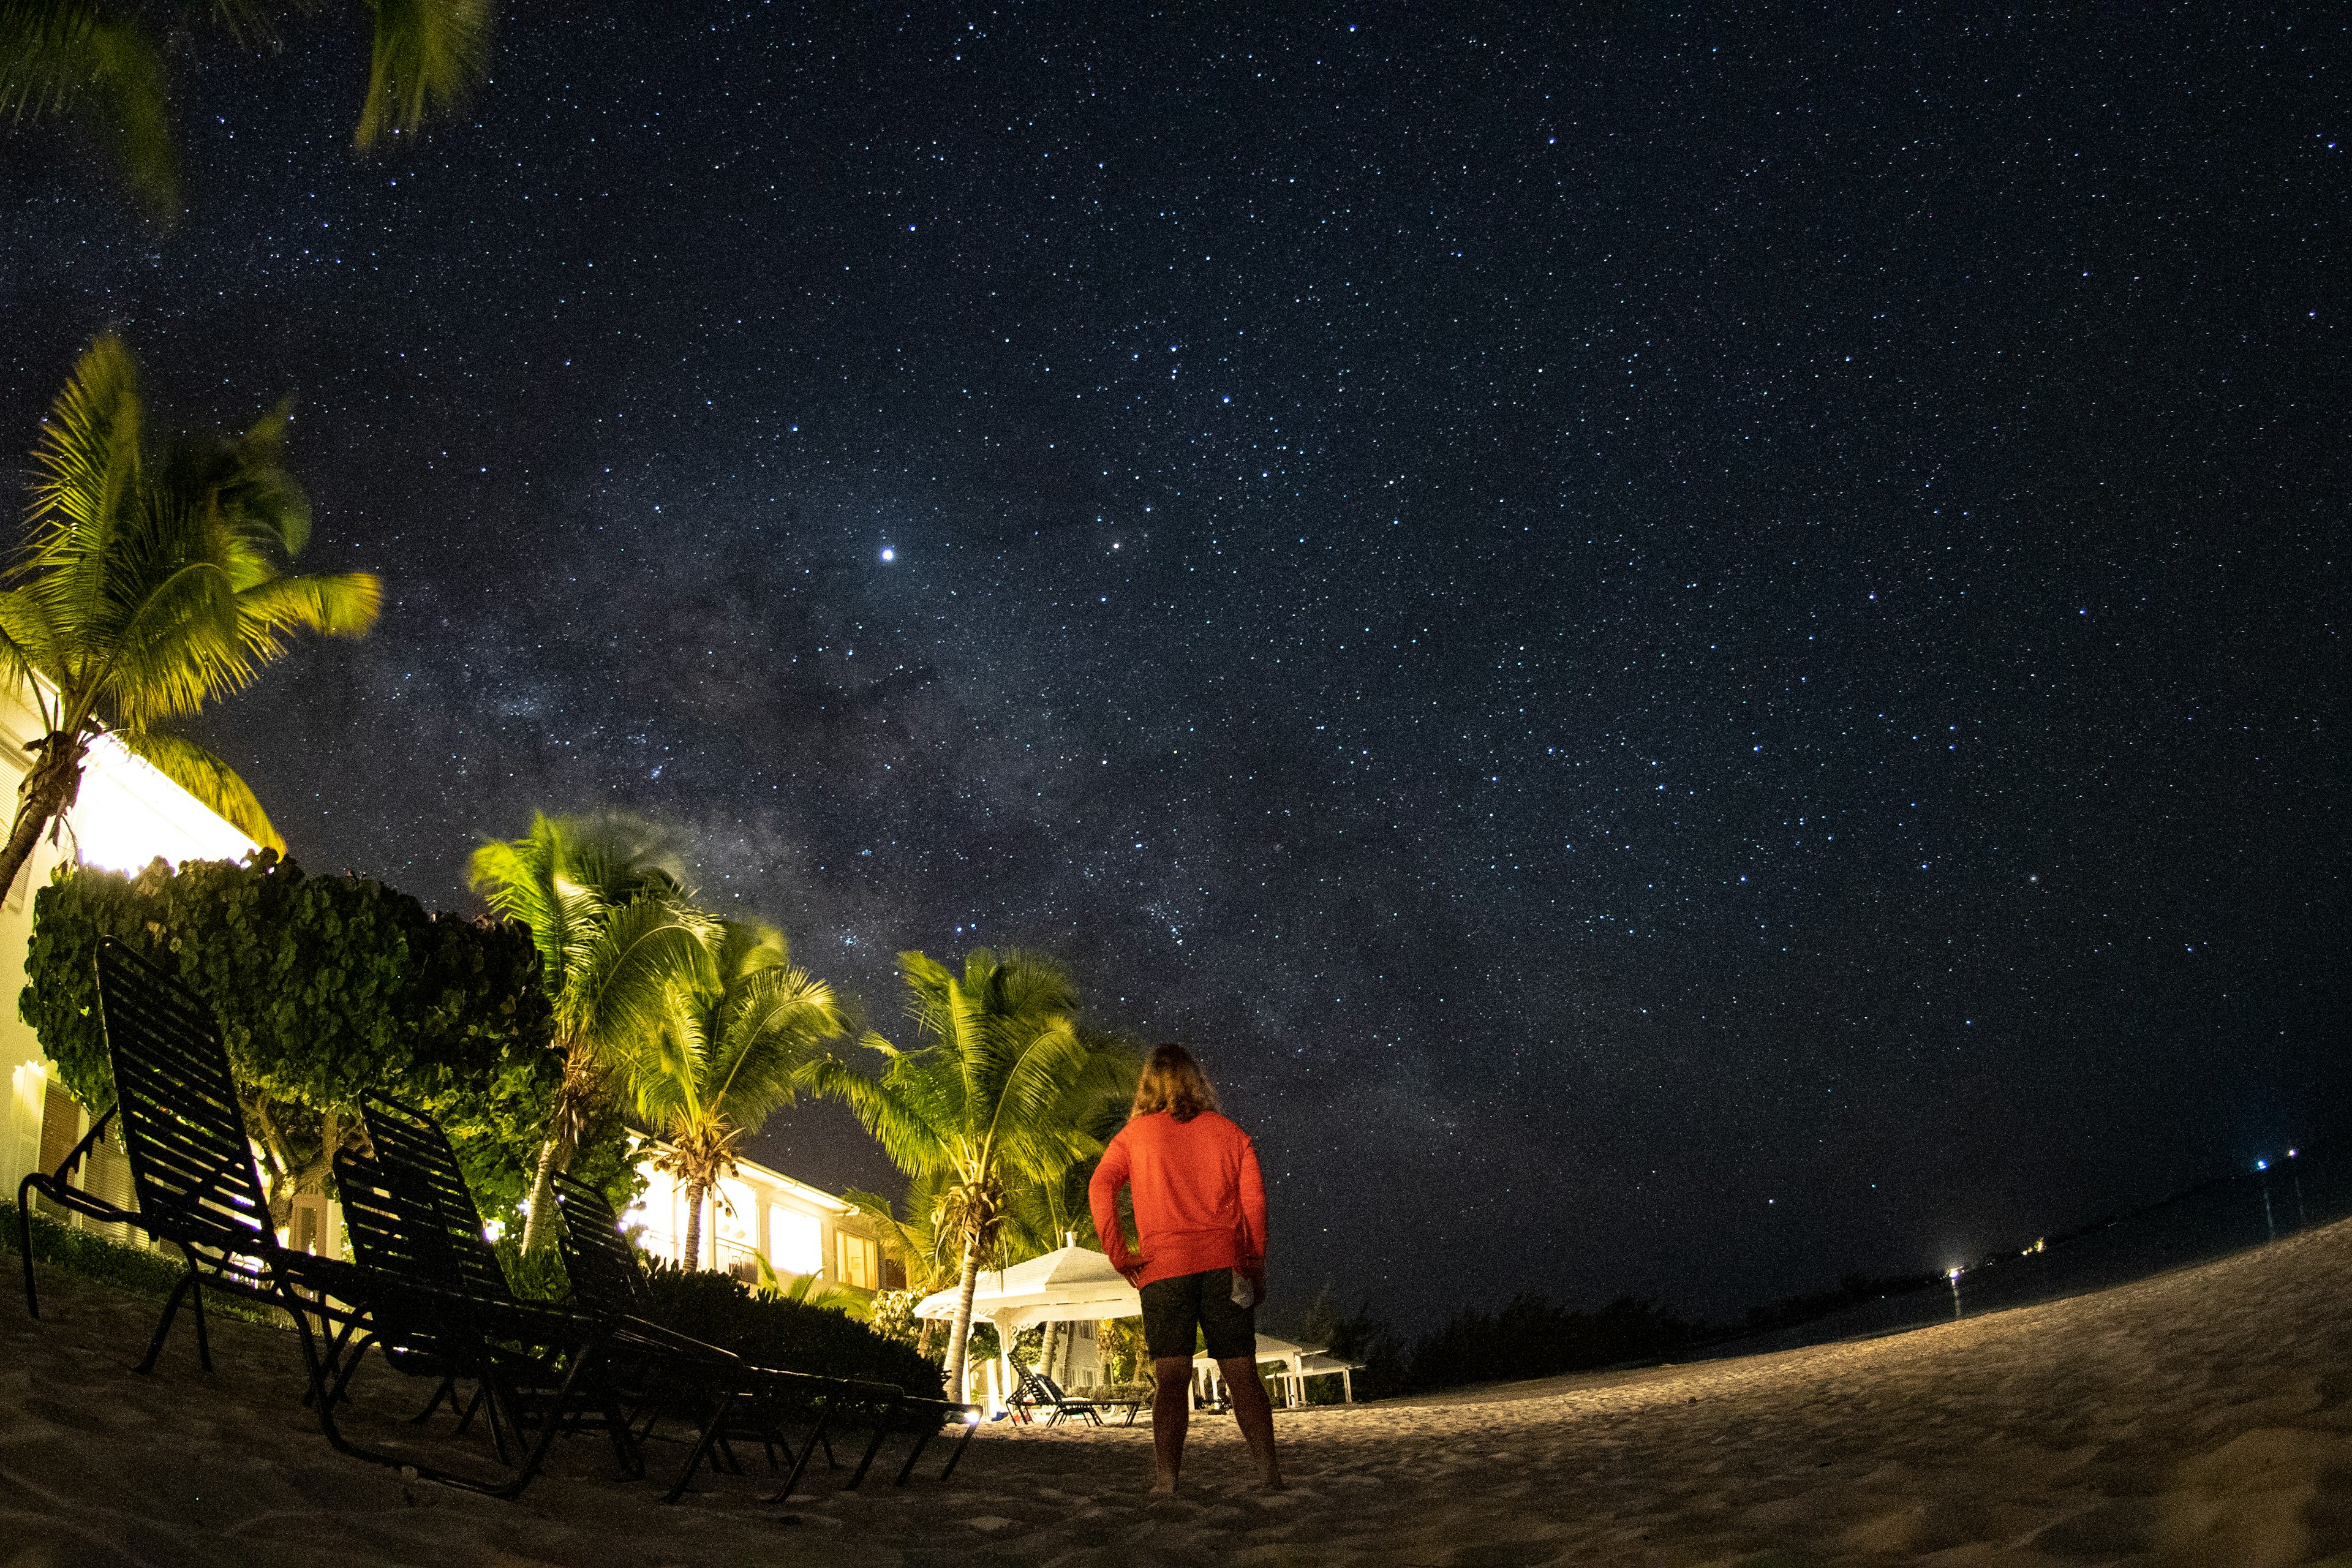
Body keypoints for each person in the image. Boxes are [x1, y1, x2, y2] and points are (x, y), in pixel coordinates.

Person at [1088, 1042, 1283, 1494]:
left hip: (1163, 1270)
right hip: (1224, 1267)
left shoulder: (1134, 1137)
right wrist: (1254, 1265)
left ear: (1147, 1085)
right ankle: (1269, 1475)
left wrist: (1119, 1254)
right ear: (1197, 1079)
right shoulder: (1231, 1134)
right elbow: (1255, 1207)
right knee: (1242, 1374)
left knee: (1172, 1379)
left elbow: (1101, 1186)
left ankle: (1166, 1482)